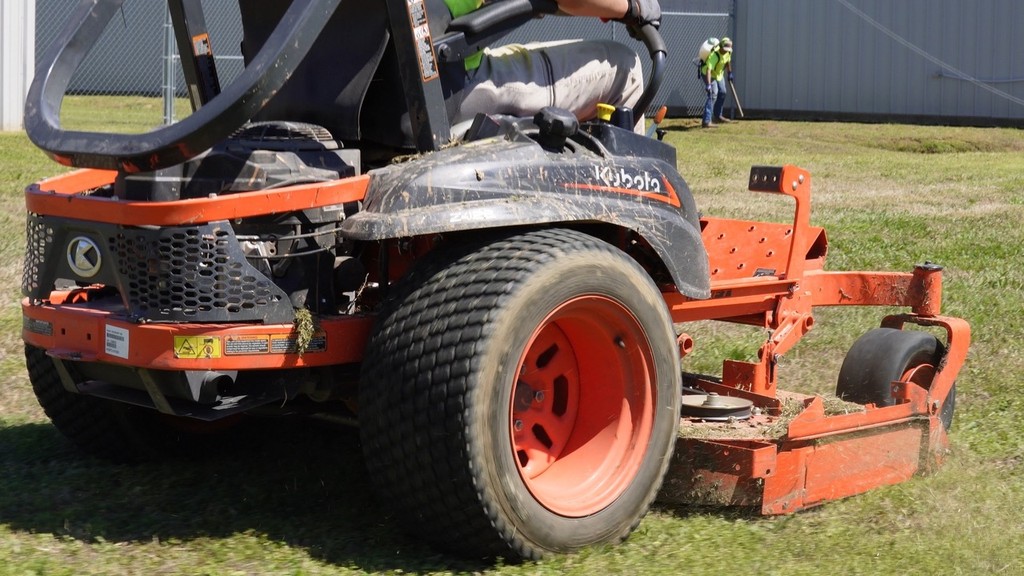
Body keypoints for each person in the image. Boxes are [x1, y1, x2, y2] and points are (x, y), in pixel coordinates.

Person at [445, 0, 662, 133]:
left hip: (428, 84)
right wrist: (632, 7)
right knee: (624, 67)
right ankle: (627, 198)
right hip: (458, 85)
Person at [700, 36, 734, 128]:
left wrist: (730, 72)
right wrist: (708, 85)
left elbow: (728, 61)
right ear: (721, 46)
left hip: (719, 74)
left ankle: (718, 116)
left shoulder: (728, 52)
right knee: (713, 94)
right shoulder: (714, 55)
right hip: (709, 74)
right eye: (725, 49)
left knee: (722, 92)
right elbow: (708, 70)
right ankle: (706, 121)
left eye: (728, 49)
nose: (726, 51)